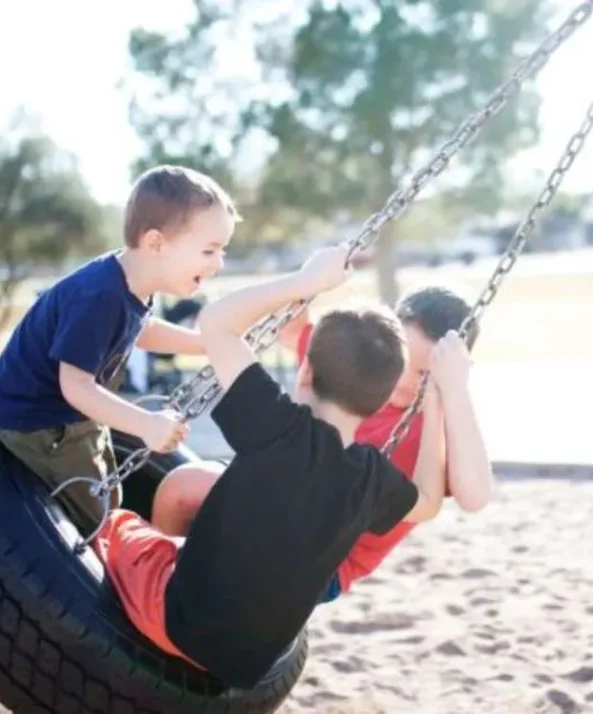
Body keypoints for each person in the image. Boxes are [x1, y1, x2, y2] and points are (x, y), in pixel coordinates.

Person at [90, 245, 481, 689]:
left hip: (177, 623)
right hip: (247, 667)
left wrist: (304, 281)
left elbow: (217, 320)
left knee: (114, 525)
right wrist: (437, 396)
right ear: (386, 384)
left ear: (305, 373)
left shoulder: (274, 422)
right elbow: (428, 503)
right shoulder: (372, 477)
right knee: (195, 513)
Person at [149, 285, 494, 601]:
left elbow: (475, 496)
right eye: (405, 361)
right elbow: (290, 327)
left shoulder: (439, 425)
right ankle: (162, 587)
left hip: (324, 559)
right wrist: (311, 281)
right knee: (180, 491)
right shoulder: (358, 363)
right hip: (276, 500)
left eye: (425, 374)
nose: (406, 379)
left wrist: (453, 391)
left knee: (200, 499)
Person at [0, 165, 237, 535]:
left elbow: (142, 329)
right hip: (41, 424)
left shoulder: (131, 281)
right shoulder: (100, 295)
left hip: (71, 416)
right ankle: (101, 576)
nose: (219, 263)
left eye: (223, 250)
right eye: (209, 250)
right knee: (96, 513)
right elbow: (76, 386)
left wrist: (204, 346)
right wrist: (147, 424)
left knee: (112, 492)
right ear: (156, 244)